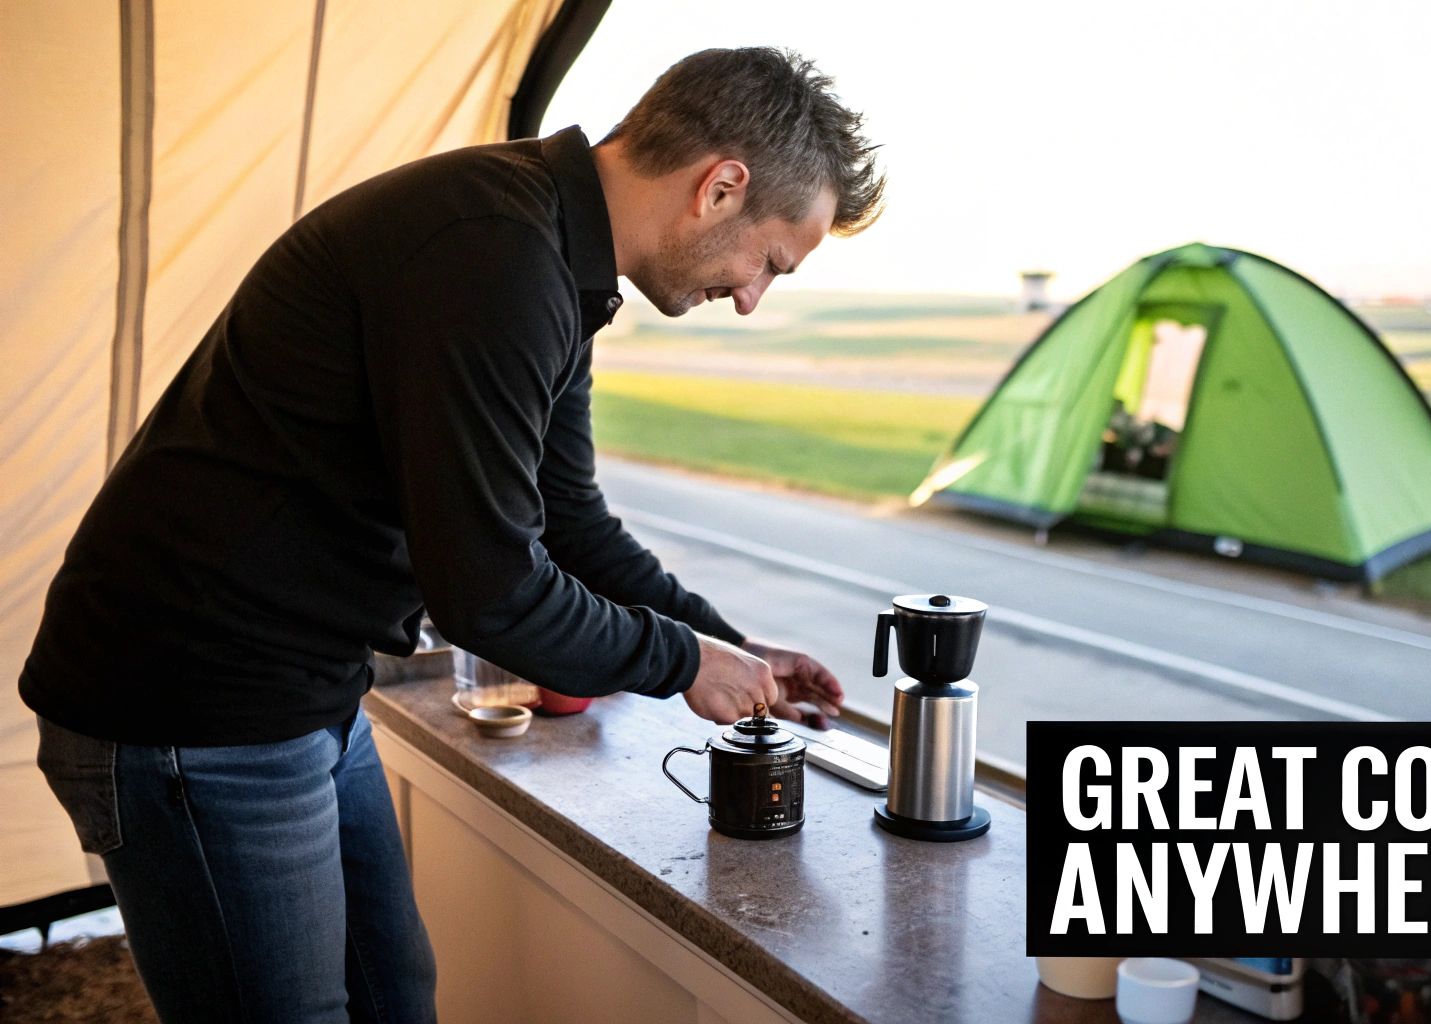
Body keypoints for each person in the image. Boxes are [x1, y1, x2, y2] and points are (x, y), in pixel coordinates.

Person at [19, 47, 882, 1023]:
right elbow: (489, 590)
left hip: (302, 690)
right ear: (720, 187)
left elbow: (570, 521)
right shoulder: (495, 251)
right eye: (769, 260)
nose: (751, 296)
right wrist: (680, 660)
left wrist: (730, 644)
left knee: (396, 998)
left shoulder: (556, 258)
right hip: (189, 703)